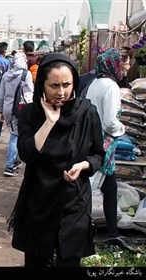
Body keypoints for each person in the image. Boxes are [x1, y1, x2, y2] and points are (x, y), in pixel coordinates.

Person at [7, 53, 105, 267]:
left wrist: (84, 165)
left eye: (66, 84)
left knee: (69, 260)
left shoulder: (87, 113)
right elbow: (26, 153)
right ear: (42, 84)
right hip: (38, 201)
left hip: (74, 201)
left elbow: (99, 155)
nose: (61, 92)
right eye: (54, 86)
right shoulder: (30, 114)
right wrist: (49, 123)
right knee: (36, 261)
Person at [81, 48, 129, 248]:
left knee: (110, 189)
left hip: (92, 141)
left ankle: (112, 233)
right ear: (114, 64)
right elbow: (110, 121)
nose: (126, 66)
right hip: (103, 144)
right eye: (123, 62)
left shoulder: (95, 83)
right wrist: (122, 128)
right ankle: (81, 233)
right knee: (90, 190)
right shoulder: (110, 86)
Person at [0, 52, 33, 177]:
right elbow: (30, 92)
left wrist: (1, 111)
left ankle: (16, 161)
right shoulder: (26, 74)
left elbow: (1, 95)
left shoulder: (6, 75)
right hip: (21, 108)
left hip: (8, 108)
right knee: (15, 136)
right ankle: (9, 166)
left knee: (15, 134)